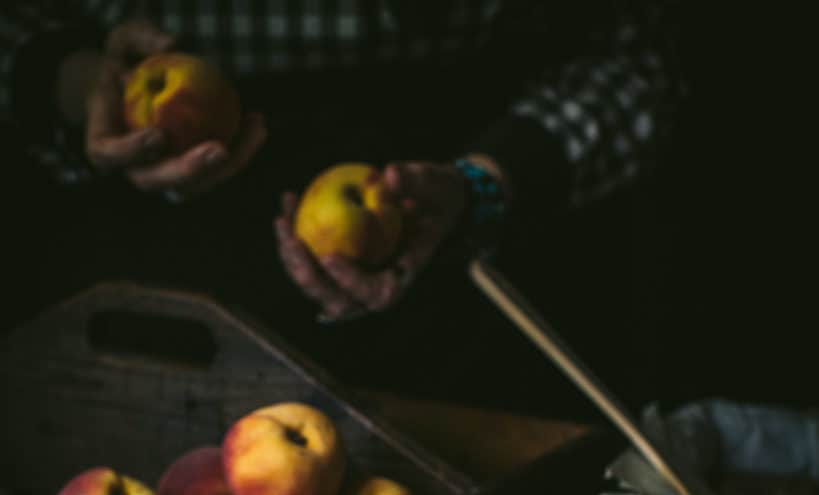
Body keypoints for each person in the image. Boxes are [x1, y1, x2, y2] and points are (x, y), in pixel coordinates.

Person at [1, 1, 687, 415]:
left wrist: (486, 182)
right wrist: (77, 82)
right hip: (151, 273)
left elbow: (631, 49)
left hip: (457, 206)